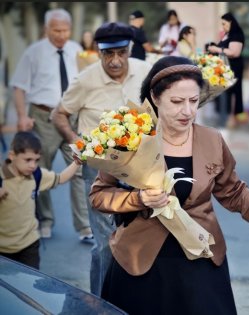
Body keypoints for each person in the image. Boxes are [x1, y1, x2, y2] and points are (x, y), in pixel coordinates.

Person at [88, 55, 249, 314]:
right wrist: (138, 200)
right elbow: (99, 196)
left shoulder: (212, 140)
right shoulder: (130, 136)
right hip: (142, 262)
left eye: (194, 101)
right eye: (177, 101)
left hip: (200, 257)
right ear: (155, 97)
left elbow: (234, 191)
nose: (187, 111)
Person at [52, 22, 152, 296]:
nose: (116, 60)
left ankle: (133, 301)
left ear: (130, 49)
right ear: (98, 51)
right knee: (106, 243)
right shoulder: (85, 79)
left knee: (139, 239)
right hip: (98, 172)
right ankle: (99, 303)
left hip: (140, 169)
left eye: (121, 52)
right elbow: (58, 114)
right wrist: (78, 143)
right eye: (109, 54)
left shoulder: (145, 72)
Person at [9, 8, 91, 241]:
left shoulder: (77, 51)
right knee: (39, 169)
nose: (61, 35)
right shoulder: (34, 53)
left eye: (65, 30)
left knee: (78, 168)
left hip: (70, 118)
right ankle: (45, 220)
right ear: (47, 29)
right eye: (56, 30)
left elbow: (84, 85)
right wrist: (22, 116)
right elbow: (18, 86)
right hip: (43, 116)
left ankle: (84, 226)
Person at [0, 132, 82, 269]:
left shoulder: (37, 175)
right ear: (12, 156)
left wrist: (77, 162)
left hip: (29, 244)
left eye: (36, 160)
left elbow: (60, 178)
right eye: (28, 160)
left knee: (29, 287)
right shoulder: (1, 178)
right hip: (2, 248)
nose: (33, 165)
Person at [208, 12, 246, 129]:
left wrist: (217, 48)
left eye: (224, 24)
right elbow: (222, 48)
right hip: (224, 69)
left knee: (233, 94)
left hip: (233, 68)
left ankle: (230, 120)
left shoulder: (237, 35)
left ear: (231, 22)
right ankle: (222, 119)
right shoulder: (227, 35)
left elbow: (234, 52)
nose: (223, 26)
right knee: (223, 95)